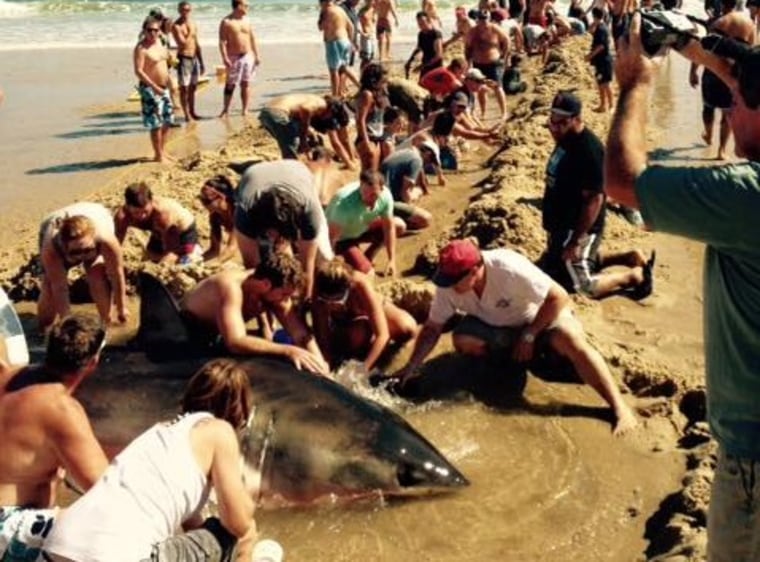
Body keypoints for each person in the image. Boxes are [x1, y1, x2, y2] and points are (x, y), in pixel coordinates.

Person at [606, 13, 760, 559]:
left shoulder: (745, 197)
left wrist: (636, 84)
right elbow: (749, 80)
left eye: (737, 97)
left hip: (752, 462)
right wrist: (698, 48)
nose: (730, 103)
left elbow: (624, 181)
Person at [392, 238, 639, 435]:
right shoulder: (448, 286)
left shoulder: (508, 267)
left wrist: (531, 335)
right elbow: (433, 328)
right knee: (463, 340)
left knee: (570, 340)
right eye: (445, 280)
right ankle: (508, 369)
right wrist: (411, 366)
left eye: (455, 281)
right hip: (499, 327)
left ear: (476, 269)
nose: (449, 286)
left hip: (540, 319)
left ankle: (619, 407)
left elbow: (559, 296)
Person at [44, 359, 259, 561]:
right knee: (243, 533)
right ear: (238, 412)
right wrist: (247, 497)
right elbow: (237, 524)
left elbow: (192, 528)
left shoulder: (161, 432)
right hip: (117, 555)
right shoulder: (220, 430)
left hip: (60, 546)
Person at [0, 314, 108, 561]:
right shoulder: (61, 409)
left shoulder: (7, 373)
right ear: (93, 362)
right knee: (108, 526)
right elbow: (106, 489)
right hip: (6, 526)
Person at [539, 91, 653, 300]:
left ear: (577, 119)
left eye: (561, 123)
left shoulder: (588, 151)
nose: (555, 128)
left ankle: (632, 276)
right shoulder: (566, 139)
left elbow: (595, 199)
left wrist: (575, 241)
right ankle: (628, 256)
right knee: (554, 266)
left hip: (579, 228)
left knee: (582, 287)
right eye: (552, 122)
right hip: (560, 225)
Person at [179, 254, 328, 374]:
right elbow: (235, 342)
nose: (286, 300)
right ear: (265, 284)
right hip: (184, 333)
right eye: (284, 295)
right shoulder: (230, 287)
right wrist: (288, 350)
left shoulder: (275, 291)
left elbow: (300, 334)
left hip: (217, 336)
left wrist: (320, 364)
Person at [234, 159, 334, 300]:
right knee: (266, 262)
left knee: (325, 256)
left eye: (277, 234)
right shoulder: (245, 211)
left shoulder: (309, 211)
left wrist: (305, 298)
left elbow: (307, 264)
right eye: (270, 232)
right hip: (255, 174)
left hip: (298, 173)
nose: (273, 237)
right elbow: (253, 268)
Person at [37, 202, 129, 333]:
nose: (82, 256)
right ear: (64, 244)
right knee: (48, 287)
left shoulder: (106, 239)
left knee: (96, 273)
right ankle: (43, 330)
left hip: (97, 213)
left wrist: (122, 307)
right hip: (53, 221)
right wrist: (67, 323)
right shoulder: (51, 247)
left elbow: (116, 273)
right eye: (76, 252)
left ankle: (106, 323)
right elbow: (60, 288)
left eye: (87, 250)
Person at [313, 259, 418, 371]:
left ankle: (372, 347)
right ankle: (363, 344)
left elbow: (382, 334)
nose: (331, 305)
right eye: (327, 301)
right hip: (348, 324)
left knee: (407, 327)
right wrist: (326, 364)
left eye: (336, 301)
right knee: (358, 336)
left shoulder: (360, 284)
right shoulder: (319, 295)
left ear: (348, 288)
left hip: (365, 310)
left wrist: (363, 370)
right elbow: (323, 338)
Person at [688, 0, 755, 160]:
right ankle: (721, 151)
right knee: (728, 112)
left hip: (712, 72)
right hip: (733, 73)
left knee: (708, 107)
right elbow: (750, 53)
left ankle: (708, 135)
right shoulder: (749, 24)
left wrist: (693, 71)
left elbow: (702, 49)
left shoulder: (716, 23)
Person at [326, 169, 402, 276]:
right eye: (364, 193)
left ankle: (368, 256)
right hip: (342, 239)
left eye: (373, 195)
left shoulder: (386, 196)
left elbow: (389, 227)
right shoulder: (343, 202)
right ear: (360, 187)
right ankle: (354, 258)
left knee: (399, 225)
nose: (367, 198)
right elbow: (331, 239)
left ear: (382, 189)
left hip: (361, 227)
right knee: (369, 274)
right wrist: (332, 266)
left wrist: (391, 260)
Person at [258, 93, 356, 169]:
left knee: (293, 138)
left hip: (266, 113)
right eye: (330, 117)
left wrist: (308, 135)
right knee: (292, 143)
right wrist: (303, 140)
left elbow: (299, 118)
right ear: (331, 110)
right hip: (278, 113)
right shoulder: (321, 104)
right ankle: (291, 169)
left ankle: (295, 162)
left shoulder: (314, 99)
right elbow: (305, 109)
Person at [114, 181, 202, 265]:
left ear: (151, 202)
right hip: (158, 231)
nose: (142, 216)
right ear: (128, 207)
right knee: (148, 259)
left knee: (183, 262)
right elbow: (115, 245)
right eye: (136, 213)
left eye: (145, 211)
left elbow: (171, 252)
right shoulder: (122, 217)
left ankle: (195, 250)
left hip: (181, 231)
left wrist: (163, 264)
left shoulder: (162, 214)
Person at [134, 15, 175, 163]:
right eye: (149, 30)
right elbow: (139, 71)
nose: (153, 33)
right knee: (155, 123)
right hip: (150, 88)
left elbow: (166, 65)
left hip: (164, 88)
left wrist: (170, 83)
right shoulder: (141, 48)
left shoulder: (161, 43)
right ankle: (158, 155)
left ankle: (163, 151)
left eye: (155, 30)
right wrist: (154, 86)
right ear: (144, 30)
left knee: (167, 120)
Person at [380, 142, 438, 230]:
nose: (428, 164)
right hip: (386, 202)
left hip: (382, 195)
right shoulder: (417, 160)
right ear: (427, 153)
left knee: (416, 192)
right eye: (430, 160)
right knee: (425, 219)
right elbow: (405, 192)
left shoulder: (406, 152)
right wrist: (409, 208)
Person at [464, 10, 511, 121]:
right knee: (480, 89)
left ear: (489, 19)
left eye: (485, 19)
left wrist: (505, 57)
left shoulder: (495, 29)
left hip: (494, 63)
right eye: (481, 19)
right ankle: (483, 112)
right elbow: (467, 47)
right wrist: (468, 63)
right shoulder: (472, 32)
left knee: (497, 87)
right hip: (478, 63)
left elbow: (507, 41)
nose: (483, 21)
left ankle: (504, 112)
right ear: (478, 20)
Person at [218, 0, 261, 117]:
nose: (248, 7)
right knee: (230, 84)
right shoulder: (226, 22)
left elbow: (252, 38)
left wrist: (256, 55)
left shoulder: (247, 20)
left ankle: (245, 109)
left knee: (246, 83)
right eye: (246, 5)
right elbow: (222, 42)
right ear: (238, 6)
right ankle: (226, 109)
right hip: (233, 56)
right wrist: (225, 57)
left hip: (248, 55)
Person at [172, 1, 205, 122]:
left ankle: (192, 111)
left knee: (193, 87)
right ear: (179, 11)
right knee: (184, 88)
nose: (186, 12)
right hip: (184, 58)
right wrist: (191, 31)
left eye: (188, 10)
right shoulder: (176, 26)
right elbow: (182, 43)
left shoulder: (193, 24)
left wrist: (201, 62)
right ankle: (186, 115)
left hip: (194, 58)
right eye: (183, 10)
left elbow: (196, 43)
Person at [318, 0, 360, 97]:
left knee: (333, 71)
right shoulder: (340, 10)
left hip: (334, 42)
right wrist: (352, 42)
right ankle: (360, 86)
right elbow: (351, 27)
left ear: (323, 2)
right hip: (345, 41)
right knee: (344, 68)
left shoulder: (327, 10)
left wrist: (321, 13)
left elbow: (321, 27)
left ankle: (335, 95)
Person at [355, 63, 390, 171]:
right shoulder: (367, 95)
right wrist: (366, 143)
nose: (385, 81)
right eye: (383, 79)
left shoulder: (379, 93)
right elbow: (360, 120)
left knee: (380, 172)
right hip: (368, 137)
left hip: (378, 136)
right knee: (370, 173)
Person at [199, 175, 239, 263]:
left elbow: (231, 249)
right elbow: (214, 250)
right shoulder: (215, 217)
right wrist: (197, 262)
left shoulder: (238, 212)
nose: (204, 204)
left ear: (221, 198)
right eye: (201, 199)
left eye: (207, 201)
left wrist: (213, 265)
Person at [585, 7, 613, 113]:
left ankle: (606, 105)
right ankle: (607, 105)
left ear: (594, 16)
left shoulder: (601, 29)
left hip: (603, 61)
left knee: (603, 84)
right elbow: (590, 32)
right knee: (603, 83)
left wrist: (590, 56)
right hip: (603, 60)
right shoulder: (602, 27)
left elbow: (601, 46)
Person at [404, 12, 444, 81]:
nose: (420, 25)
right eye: (419, 24)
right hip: (425, 64)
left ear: (428, 21)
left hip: (435, 66)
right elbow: (419, 48)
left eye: (422, 23)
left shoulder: (436, 34)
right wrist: (409, 61)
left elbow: (438, 56)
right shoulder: (421, 34)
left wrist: (421, 66)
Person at [357, 0, 377, 70]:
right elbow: (356, 24)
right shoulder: (362, 11)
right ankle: (362, 73)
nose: (371, 2)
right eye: (369, 1)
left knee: (371, 57)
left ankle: (367, 73)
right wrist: (362, 33)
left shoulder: (374, 10)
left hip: (372, 35)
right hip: (365, 36)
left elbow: (373, 23)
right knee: (365, 58)